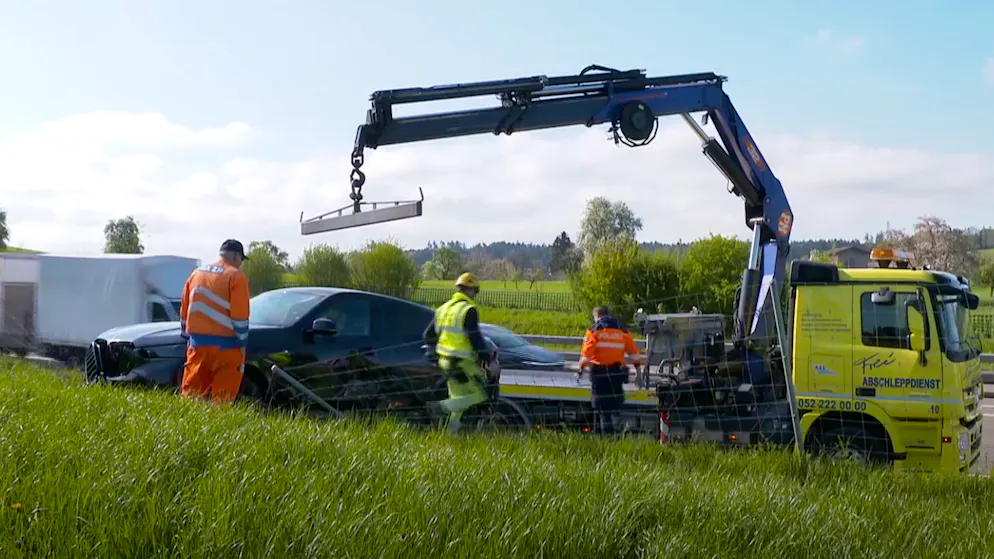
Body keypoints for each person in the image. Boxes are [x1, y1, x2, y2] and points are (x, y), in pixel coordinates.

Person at [179, 239, 251, 404]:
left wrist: (187, 338)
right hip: (228, 348)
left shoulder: (196, 274)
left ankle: (185, 428)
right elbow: (240, 318)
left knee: (190, 398)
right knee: (222, 403)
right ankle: (216, 428)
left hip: (197, 346)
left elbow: (184, 309)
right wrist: (242, 344)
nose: (241, 264)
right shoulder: (236, 277)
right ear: (234, 256)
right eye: (241, 259)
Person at [423, 272, 492, 432]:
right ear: (471, 290)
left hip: (445, 362)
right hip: (463, 362)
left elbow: (427, 336)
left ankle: (450, 434)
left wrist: (439, 352)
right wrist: (486, 358)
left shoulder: (443, 309)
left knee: (459, 400)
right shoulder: (468, 310)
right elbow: (474, 337)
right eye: (476, 291)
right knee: (481, 395)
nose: (475, 295)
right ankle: (440, 407)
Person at [577, 306, 642, 435]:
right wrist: (638, 373)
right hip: (617, 374)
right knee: (616, 407)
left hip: (600, 375)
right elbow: (634, 354)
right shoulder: (623, 331)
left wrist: (580, 369)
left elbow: (585, 358)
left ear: (596, 316)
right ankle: (618, 434)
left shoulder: (594, 331)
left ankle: (607, 437)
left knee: (603, 410)